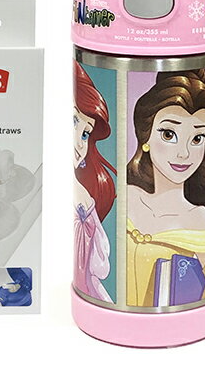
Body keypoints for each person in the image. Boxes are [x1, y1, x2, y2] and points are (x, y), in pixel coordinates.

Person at [127, 69, 205, 307]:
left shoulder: (199, 218)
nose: (184, 153)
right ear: (145, 137)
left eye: (197, 138)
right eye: (169, 134)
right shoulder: (127, 196)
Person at [73, 61, 116, 302]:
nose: (80, 144)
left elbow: (98, 271)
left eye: (85, 133)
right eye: (73, 121)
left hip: (92, 295)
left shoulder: (84, 197)